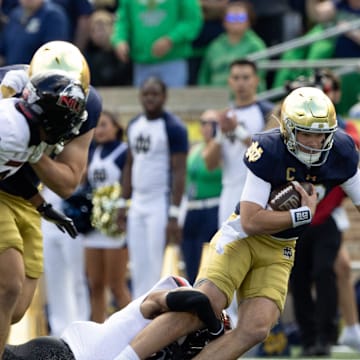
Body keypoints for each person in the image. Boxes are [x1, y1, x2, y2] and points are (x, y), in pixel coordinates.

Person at [117, 86, 360, 360]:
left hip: (280, 248)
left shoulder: (342, 151)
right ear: (289, 130)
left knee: (256, 327)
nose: (315, 143)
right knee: (204, 305)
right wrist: (302, 215)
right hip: (242, 237)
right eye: (307, 133)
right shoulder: (269, 148)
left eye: (321, 135)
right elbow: (251, 220)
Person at [0, 40, 102, 357]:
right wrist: (32, 138)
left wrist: (40, 202)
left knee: (15, 308)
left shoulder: (87, 107)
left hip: (28, 197)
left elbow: (68, 182)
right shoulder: (11, 118)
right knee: (8, 284)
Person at [289, 69, 360, 356]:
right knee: (299, 277)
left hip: (327, 212)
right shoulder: (291, 129)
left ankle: (329, 334)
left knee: (328, 270)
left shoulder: (346, 134)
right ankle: (309, 336)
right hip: (297, 216)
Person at [3, 275, 227, 360]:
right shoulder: (152, 306)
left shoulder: (159, 338)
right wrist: (215, 328)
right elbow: (195, 301)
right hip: (62, 355)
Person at [118, 76, 188, 298]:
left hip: (161, 201)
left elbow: (179, 171)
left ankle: (157, 315)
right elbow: (130, 164)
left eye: (154, 94)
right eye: (146, 93)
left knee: (156, 264)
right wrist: (122, 202)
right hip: (138, 201)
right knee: (138, 264)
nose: (150, 98)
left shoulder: (174, 128)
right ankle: (139, 312)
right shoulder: (134, 124)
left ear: (164, 97)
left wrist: (174, 214)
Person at [203, 59, 274, 228]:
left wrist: (238, 131)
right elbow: (210, 164)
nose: (241, 83)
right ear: (230, 82)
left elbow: (269, 154)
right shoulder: (225, 115)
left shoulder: (267, 112)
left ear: (257, 80)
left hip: (258, 191)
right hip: (229, 191)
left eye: (246, 77)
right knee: (226, 249)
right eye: (236, 78)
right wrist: (221, 134)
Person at [84, 110, 131, 322]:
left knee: (116, 286)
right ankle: (95, 332)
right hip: (95, 226)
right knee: (95, 284)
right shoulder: (92, 152)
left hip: (115, 226)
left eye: (104, 125)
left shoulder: (124, 152)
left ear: (116, 127)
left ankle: (136, 333)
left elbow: (130, 186)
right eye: (97, 126)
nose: (100, 130)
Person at [111, 0, 203, 88]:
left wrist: (171, 39)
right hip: (141, 64)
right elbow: (122, 20)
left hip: (172, 62)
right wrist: (120, 40)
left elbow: (192, 20)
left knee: (175, 101)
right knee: (142, 102)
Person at [41, 186, 91, 336]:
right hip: (47, 218)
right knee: (54, 280)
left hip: (71, 213)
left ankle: (82, 328)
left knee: (78, 277)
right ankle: (59, 330)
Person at [181, 109, 222, 284]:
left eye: (212, 123)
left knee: (206, 261)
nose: (207, 127)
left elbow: (210, 164)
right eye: (203, 123)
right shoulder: (196, 149)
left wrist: (218, 137)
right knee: (190, 257)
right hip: (192, 207)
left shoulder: (219, 149)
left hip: (211, 207)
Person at [197, 1, 267, 91]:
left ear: (249, 21)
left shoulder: (256, 45)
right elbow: (204, 77)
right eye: (231, 18)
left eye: (241, 18)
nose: (236, 22)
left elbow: (260, 77)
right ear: (224, 22)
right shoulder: (214, 46)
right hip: (216, 100)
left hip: (244, 99)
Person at [0, 0, 69, 66]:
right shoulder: (15, 14)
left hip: (37, 74)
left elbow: (52, 55)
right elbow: (3, 52)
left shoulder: (53, 16)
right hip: (11, 73)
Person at [84, 9, 133, 86]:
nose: (98, 33)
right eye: (93, 29)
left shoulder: (125, 52)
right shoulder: (87, 57)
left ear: (113, 27)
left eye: (101, 28)